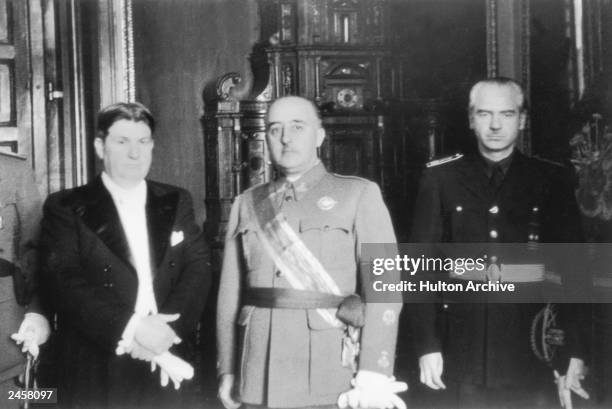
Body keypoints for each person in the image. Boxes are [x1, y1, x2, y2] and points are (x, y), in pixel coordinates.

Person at [409, 77, 589, 408]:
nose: (494, 125)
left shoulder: (551, 179)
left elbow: (573, 272)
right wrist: (426, 345)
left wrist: (574, 349)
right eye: (484, 114)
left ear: (522, 119)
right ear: (470, 119)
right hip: (460, 345)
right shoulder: (440, 179)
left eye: (506, 114)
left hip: (532, 345)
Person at [216, 96, 406, 409]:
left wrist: (374, 370)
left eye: (297, 127)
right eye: (275, 129)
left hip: (329, 372)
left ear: (319, 136)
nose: (286, 138)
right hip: (258, 373)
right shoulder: (247, 203)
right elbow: (229, 297)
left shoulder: (359, 194)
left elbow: (386, 290)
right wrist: (227, 369)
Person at [39, 102, 210, 408]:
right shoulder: (65, 206)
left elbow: (198, 268)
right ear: (100, 147)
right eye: (122, 141)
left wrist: (166, 332)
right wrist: (133, 328)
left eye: (143, 142)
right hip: (98, 363)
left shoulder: (176, 199)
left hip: (167, 356)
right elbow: (63, 280)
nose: (135, 153)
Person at [1, 154, 51, 405]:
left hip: (6, 334)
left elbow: (38, 252)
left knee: (17, 399)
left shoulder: (13, 170)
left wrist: (37, 312)